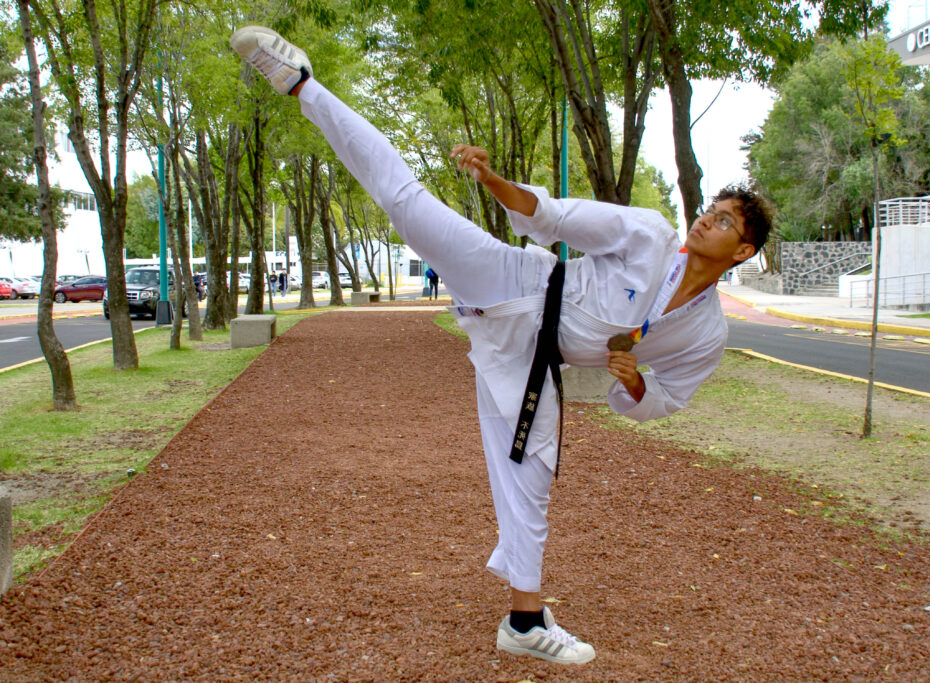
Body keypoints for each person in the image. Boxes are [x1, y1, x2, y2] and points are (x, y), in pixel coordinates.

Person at [231, 26, 772, 666]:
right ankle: (302, 83)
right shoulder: (650, 234)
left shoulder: (707, 331)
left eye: (728, 220)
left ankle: (523, 621)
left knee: (531, 480)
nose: (708, 217)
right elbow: (553, 217)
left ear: (742, 251)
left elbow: (666, 399)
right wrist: (494, 181)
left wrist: (632, 382)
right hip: (519, 282)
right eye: (713, 207)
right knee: (406, 203)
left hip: (536, 363)